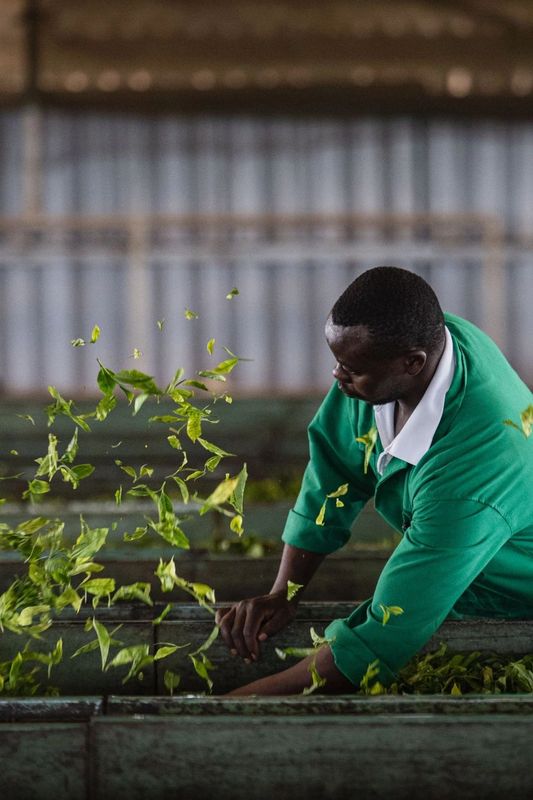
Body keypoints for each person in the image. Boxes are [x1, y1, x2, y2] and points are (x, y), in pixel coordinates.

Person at [215, 266, 533, 696]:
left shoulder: (475, 467)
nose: (336, 376)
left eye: (351, 367)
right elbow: (334, 474)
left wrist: (239, 700)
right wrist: (284, 592)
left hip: (515, 598)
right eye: (338, 361)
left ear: (413, 363)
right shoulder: (399, 356)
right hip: (462, 558)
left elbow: (386, 630)